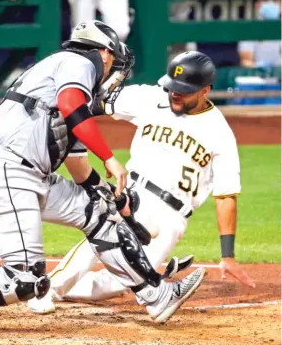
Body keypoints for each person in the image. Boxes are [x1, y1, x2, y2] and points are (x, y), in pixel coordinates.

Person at [0, 21, 205, 335]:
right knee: (26, 281)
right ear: (101, 51)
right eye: (112, 60)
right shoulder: (77, 62)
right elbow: (71, 105)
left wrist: (113, 196)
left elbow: (78, 165)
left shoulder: (72, 92)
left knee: (98, 209)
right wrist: (110, 159)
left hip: (32, 176)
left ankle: (156, 293)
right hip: (7, 173)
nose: (111, 70)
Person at [27, 50, 256, 315]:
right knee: (100, 239)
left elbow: (226, 194)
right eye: (173, 87)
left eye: (184, 90)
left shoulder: (220, 132)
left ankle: (53, 287)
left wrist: (227, 255)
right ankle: (50, 288)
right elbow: (95, 104)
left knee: (121, 282)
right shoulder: (151, 97)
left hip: (174, 218)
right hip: (134, 196)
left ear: (205, 90)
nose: (175, 93)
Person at [238, 0, 281, 68]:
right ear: (257, 4)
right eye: (266, 0)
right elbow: (245, 61)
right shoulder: (249, 29)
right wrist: (258, 66)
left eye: (275, 0)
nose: (271, 3)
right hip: (259, 75)